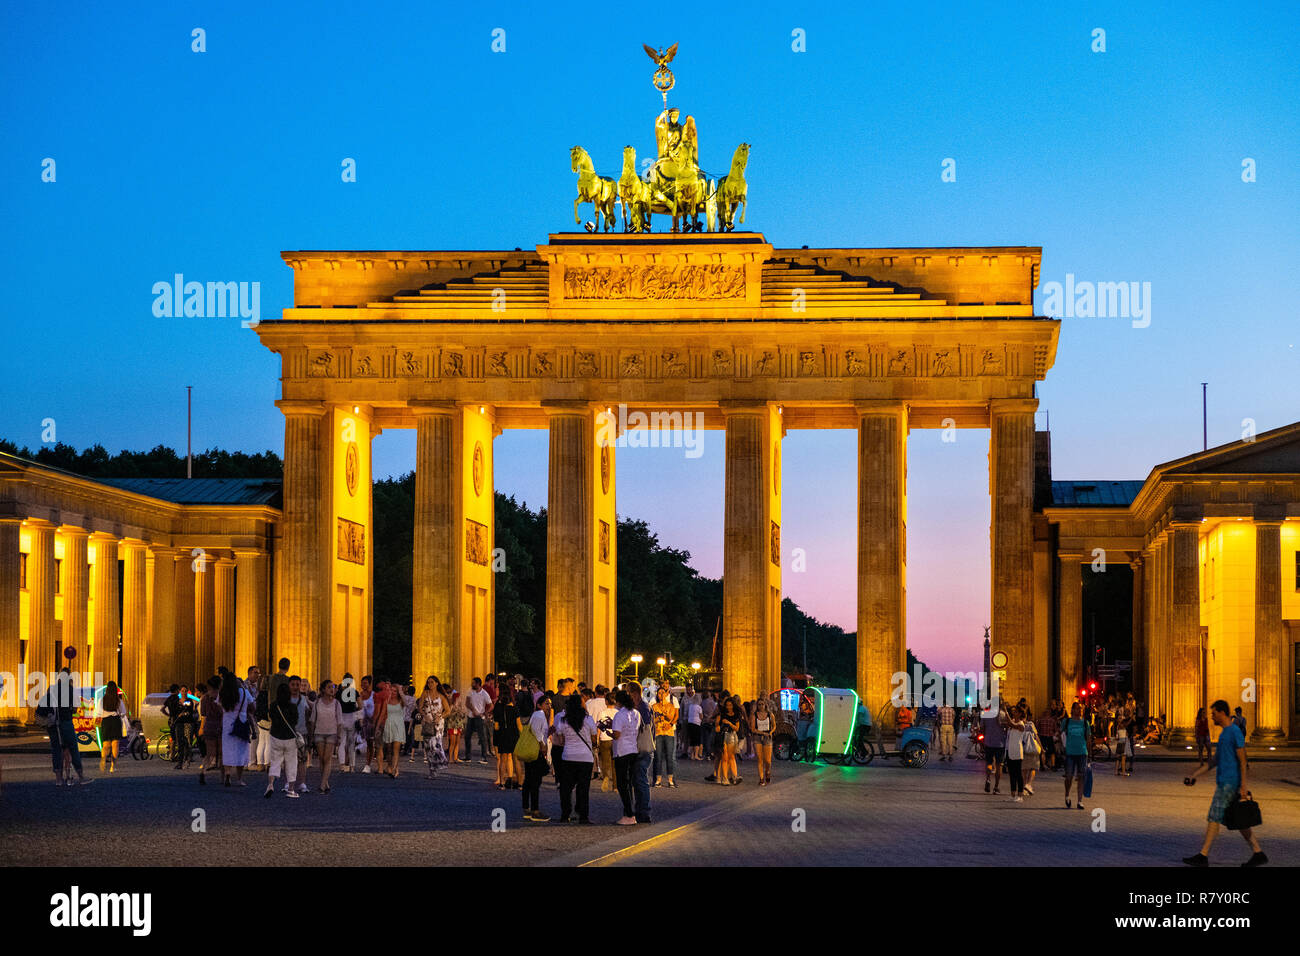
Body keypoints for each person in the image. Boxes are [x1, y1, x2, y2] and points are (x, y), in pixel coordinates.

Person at [1183, 699, 1267, 867]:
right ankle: (1258, 853)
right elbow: (1214, 761)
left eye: (1213, 714)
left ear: (1222, 712)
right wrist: (1195, 775)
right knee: (1239, 820)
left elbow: (1243, 760)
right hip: (1226, 782)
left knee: (1214, 816)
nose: (1212, 717)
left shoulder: (1234, 731)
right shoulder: (1224, 734)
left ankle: (1203, 855)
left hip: (1230, 783)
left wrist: (1244, 786)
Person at [37, 670, 91, 787]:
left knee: (56, 750)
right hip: (66, 723)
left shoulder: (51, 689)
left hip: (52, 725)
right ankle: (81, 777)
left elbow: (42, 707)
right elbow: (76, 708)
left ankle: (58, 779)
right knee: (73, 748)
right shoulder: (71, 690)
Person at [555, 694, 598, 823]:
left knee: (566, 788)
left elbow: (561, 740)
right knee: (583, 788)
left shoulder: (563, 720)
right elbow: (594, 738)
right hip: (585, 757)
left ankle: (565, 814)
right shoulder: (588, 719)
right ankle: (583, 815)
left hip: (568, 756)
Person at [219, 671, 255, 788]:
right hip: (241, 721)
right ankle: (239, 779)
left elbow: (219, 706)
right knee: (241, 751)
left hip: (227, 723)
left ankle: (228, 774)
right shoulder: (243, 692)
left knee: (227, 750)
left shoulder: (223, 693)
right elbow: (253, 706)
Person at [265, 682, 301, 798]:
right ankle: (291, 789)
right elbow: (295, 721)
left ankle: (270, 784)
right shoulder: (293, 706)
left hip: (276, 735)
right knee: (291, 763)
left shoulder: (273, 706)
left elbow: (271, 718)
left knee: (275, 761)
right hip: (289, 737)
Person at [521, 694, 552, 822]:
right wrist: (542, 744)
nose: (549, 706)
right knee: (535, 780)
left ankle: (527, 808)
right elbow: (535, 730)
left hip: (531, 749)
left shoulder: (538, 715)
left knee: (529, 779)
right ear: (539, 705)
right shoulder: (539, 715)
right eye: (546, 703)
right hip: (536, 750)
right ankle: (535, 810)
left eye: (550, 704)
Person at [611, 690, 640, 825]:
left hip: (621, 751)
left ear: (619, 702)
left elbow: (617, 735)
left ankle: (629, 813)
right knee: (629, 783)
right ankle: (630, 811)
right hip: (633, 749)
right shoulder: (636, 713)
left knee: (622, 784)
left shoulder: (619, 715)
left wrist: (608, 732)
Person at [628, 682, 655, 822]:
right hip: (642, 748)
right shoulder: (643, 706)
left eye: (629, 693)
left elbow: (642, 727)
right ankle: (641, 811)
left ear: (635, 693)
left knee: (640, 780)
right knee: (638, 781)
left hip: (642, 749)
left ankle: (644, 812)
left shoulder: (642, 707)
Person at [310, 679, 342, 793]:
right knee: (321, 759)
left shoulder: (337, 703)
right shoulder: (317, 703)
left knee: (327, 758)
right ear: (323, 689)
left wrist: (339, 736)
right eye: (329, 687)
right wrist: (311, 734)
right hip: (319, 732)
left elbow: (339, 721)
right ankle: (326, 782)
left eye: (332, 687)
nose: (332, 689)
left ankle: (322, 785)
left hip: (331, 733)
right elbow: (313, 720)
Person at [1059, 701, 1092, 810]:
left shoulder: (1085, 723)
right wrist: (1061, 747)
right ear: (1072, 710)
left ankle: (1080, 800)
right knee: (1069, 776)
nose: (1080, 710)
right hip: (1070, 752)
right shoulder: (1067, 721)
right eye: (1077, 708)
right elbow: (1061, 734)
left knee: (1081, 776)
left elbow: (1088, 738)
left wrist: (1089, 753)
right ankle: (1067, 795)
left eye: (1081, 709)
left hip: (1082, 752)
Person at [417, 677, 451, 778]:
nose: (430, 684)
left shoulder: (441, 696)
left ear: (437, 683)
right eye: (428, 682)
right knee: (428, 747)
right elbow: (420, 707)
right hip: (427, 722)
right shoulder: (425, 694)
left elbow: (448, 710)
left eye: (432, 682)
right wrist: (424, 715)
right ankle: (432, 769)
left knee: (435, 744)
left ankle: (440, 762)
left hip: (438, 724)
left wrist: (440, 717)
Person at [492, 678, 520, 790]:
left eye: (497, 688)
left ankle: (501, 781)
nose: (496, 689)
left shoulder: (498, 706)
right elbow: (519, 725)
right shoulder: (513, 707)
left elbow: (496, 725)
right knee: (513, 758)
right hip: (513, 734)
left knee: (501, 758)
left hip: (502, 734)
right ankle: (514, 781)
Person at [652, 684, 679, 788]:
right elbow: (652, 720)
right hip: (658, 732)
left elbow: (671, 717)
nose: (661, 695)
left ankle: (670, 780)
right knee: (658, 757)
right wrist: (657, 718)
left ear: (666, 694)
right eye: (659, 693)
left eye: (663, 693)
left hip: (669, 733)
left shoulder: (671, 706)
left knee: (669, 757)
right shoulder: (654, 707)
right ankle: (658, 780)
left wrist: (664, 713)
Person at [97, 681, 127, 774]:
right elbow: (123, 713)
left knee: (106, 744)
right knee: (115, 744)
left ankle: (103, 758)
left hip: (106, 721)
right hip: (115, 721)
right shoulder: (118, 700)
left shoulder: (102, 700)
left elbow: (98, 713)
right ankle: (113, 766)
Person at [197, 676, 223, 784]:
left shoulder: (205, 698)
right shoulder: (221, 697)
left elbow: (203, 715)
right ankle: (224, 777)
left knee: (209, 752)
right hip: (219, 725)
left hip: (208, 726)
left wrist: (201, 728)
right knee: (221, 753)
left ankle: (203, 771)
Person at [980, 701, 1008, 794]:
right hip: (1000, 744)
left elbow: (982, 728)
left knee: (989, 762)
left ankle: (988, 778)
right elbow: (1007, 727)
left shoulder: (986, 714)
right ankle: (996, 787)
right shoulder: (1003, 714)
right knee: (999, 765)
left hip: (989, 742)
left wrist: (984, 738)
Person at [464, 677, 492, 764]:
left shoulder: (484, 694)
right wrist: (473, 711)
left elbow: (491, 705)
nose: (472, 684)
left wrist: (484, 713)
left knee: (482, 737)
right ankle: (468, 756)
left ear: (478, 684)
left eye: (473, 683)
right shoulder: (470, 691)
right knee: (467, 736)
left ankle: (484, 757)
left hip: (480, 717)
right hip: (470, 716)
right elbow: (467, 703)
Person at [338, 672, 362, 773]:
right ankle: (352, 766)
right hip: (352, 717)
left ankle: (342, 765)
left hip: (342, 717)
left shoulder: (338, 692)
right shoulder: (355, 692)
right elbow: (360, 706)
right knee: (351, 744)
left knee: (341, 743)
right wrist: (354, 708)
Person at [716, 697, 743, 785]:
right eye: (727, 705)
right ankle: (724, 778)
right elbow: (717, 725)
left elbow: (737, 728)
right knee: (725, 758)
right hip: (723, 735)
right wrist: (718, 725)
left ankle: (734, 776)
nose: (728, 707)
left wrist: (729, 723)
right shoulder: (722, 714)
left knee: (731, 757)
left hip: (732, 735)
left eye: (730, 705)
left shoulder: (736, 714)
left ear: (733, 705)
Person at [749, 695, 775, 786]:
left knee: (768, 760)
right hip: (758, 737)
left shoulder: (770, 715)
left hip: (767, 737)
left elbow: (774, 726)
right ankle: (761, 778)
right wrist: (762, 733)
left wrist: (771, 732)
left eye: (762, 704)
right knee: (760, 759)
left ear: (765, 705)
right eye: (759, 704)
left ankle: (767, 772)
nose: (761, 706)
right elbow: (752, 728)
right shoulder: (754, 715)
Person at [382, 681, 406, 778]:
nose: (393, 693)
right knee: (389, 750)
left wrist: (401, 692)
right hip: (388, 725)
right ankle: (390, 766)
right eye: (391, 691)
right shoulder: (386, 701)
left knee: (396, 749)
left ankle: (394, 769)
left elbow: (407, 703)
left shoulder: (401, 701)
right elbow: (383, 713)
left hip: (398, 726)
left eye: (395, 691)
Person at [1004, 705, 1027, 803]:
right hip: (1010, 750)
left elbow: (1012, 724)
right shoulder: (1013, 721)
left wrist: (1006, 711)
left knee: (1018, 774)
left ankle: (1020, 795)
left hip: (1018, 751)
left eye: (1016, 712)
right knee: (1011, 774)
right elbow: (1008, 723)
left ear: (1020, 714)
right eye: (1013, 712)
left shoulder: (1021, 724)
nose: (1014, 713)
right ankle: (1013, 794)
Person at [596, 692, 617, 791]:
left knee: (605, 761)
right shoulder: (618, 712)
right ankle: (616, 786)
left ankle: (606, 776)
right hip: (615, 739)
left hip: (604, 739)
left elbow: (599, 728)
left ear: (606, 701)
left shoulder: (602, 713)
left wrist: (597, 740)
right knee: (615, 763)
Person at [445, 691, 467, 763]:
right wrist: (455, 710)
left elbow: (463, 715)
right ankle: (450, 758)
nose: (459, 699)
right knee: (452, 743)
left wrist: (461, 711)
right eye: (458, 698)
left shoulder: (460, 706)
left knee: (457, 742)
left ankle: (455, 757)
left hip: (459, 725)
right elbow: (448, 715)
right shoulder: (451, 706)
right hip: (452, 725)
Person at [685, 691, 703, 760]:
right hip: (697, 724)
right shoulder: (699, 707)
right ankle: (696, 755)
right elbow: (701, 717)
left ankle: (692, 755)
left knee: (692, 740)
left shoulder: (691, 706)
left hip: (690, 723)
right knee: (697, 741)